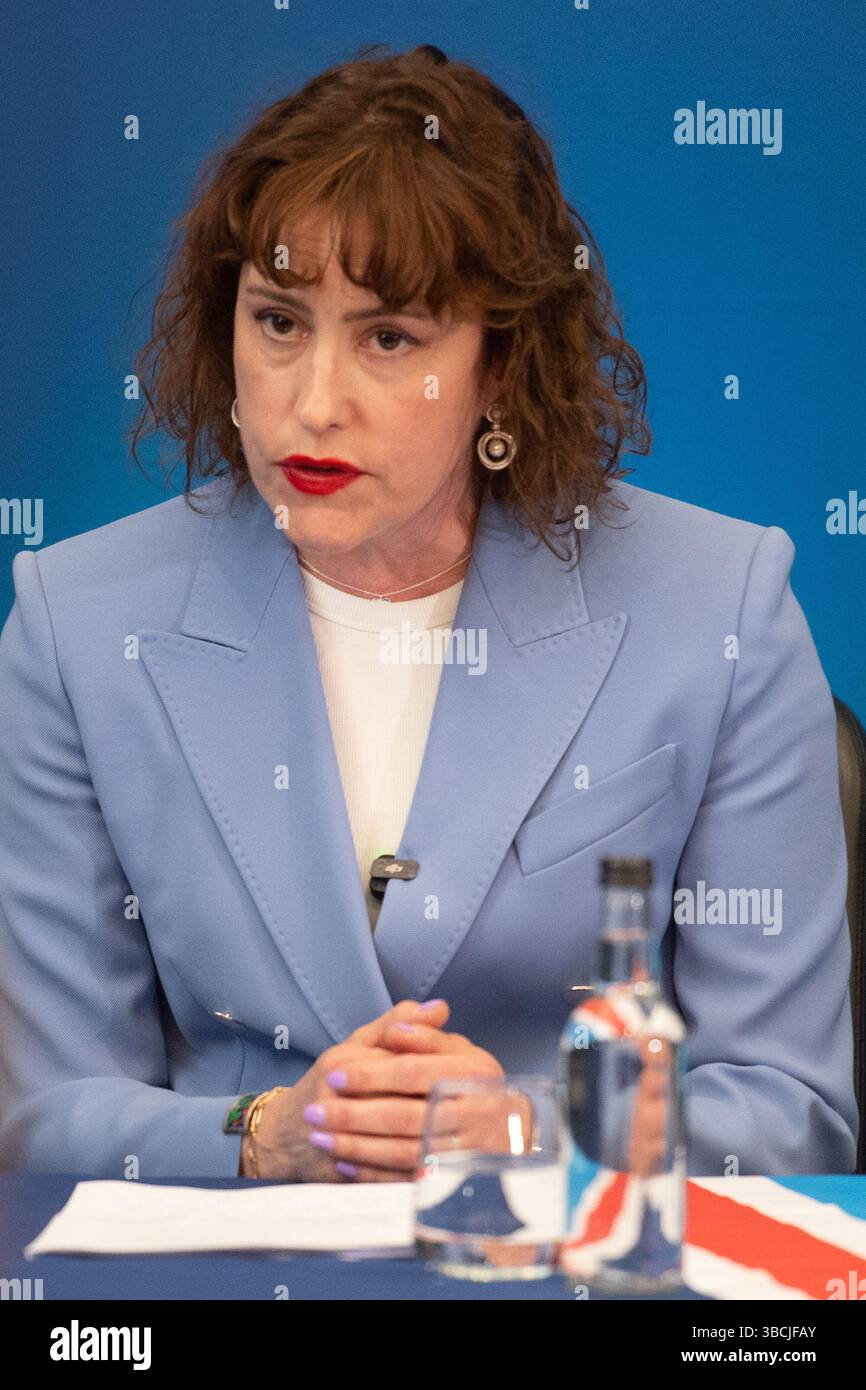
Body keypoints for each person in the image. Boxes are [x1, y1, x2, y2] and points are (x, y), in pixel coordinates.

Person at [0, 44, 858, 1181]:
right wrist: (263, 1134)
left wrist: (523, 1129)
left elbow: (792, 1112)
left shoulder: (721, 605)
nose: (312, 402)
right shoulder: (74, 626)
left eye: (390, 337)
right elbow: (44, 1119)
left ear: (500, 361)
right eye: (278, 320)